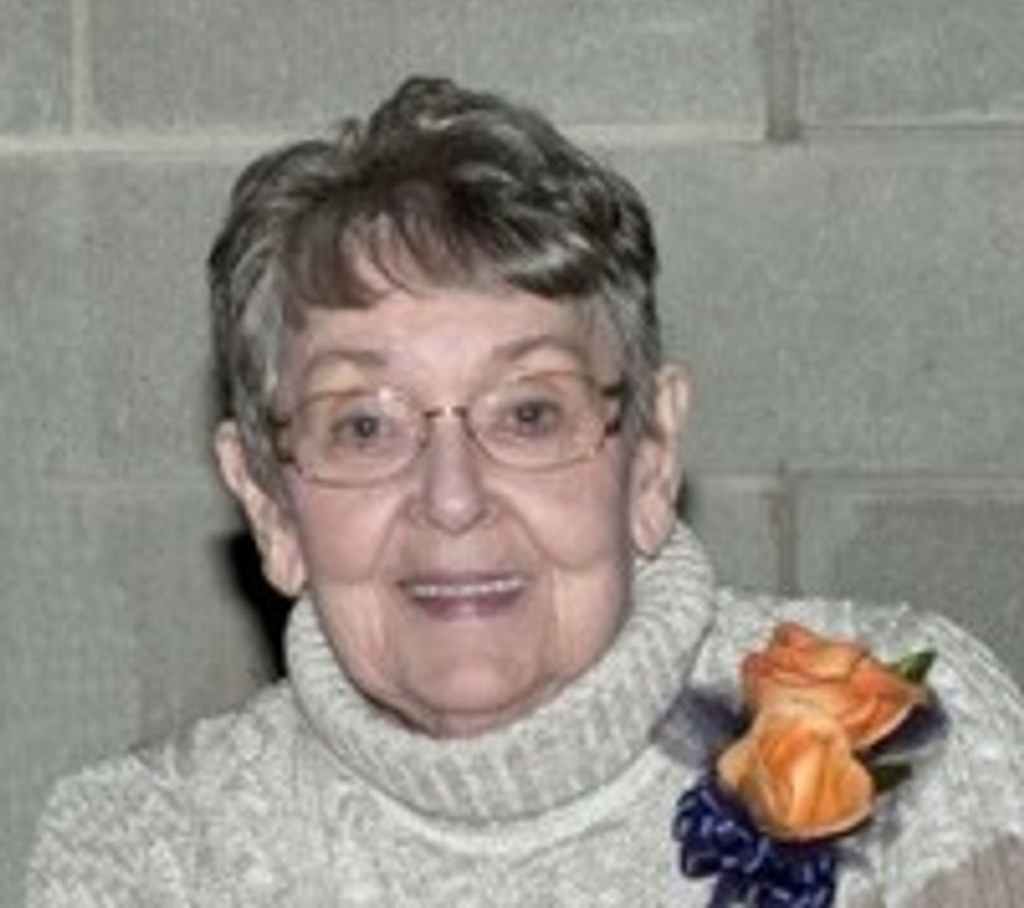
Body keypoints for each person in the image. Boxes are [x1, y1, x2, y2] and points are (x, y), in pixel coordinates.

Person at [28, 78, 1024, 906]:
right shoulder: (150, 853)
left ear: (650, 456)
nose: (452, 497)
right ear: (268, 504)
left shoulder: (916, 736)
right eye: (364, 425)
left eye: (529, 413)